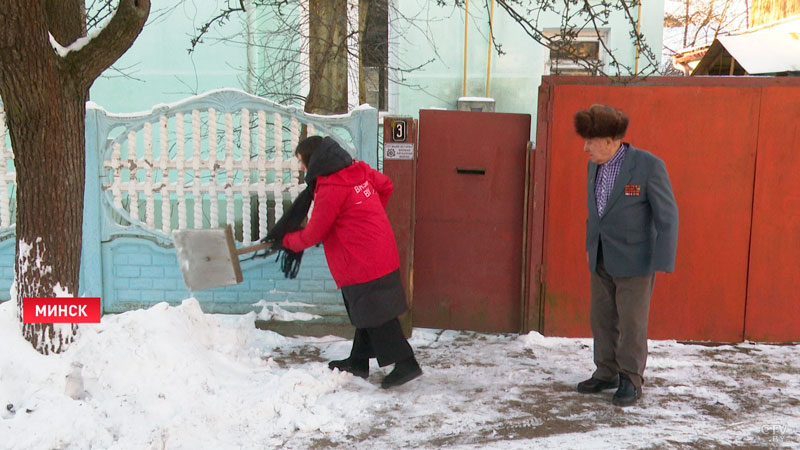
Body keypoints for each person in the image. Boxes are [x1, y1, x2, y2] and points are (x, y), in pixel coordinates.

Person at [271, 135, 422, 389]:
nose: (301, 168)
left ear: (313, 160)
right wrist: (367, 218)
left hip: (361, 260)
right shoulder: (358, 170)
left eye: (301, 161)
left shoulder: (331, 188)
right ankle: (358, 361)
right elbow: (386, 185)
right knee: (366, 310)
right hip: (379, 250)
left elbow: (315, 233)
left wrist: (286, 242)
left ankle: (406, 363)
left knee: (377, 315)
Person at [573, 104, 678, 407]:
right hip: (601, 254)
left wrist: (662, 260)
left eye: (590, 142)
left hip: (636, 260)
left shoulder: (647, 166)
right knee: (601, 319)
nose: (585, 148)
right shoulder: (595, 165)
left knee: (632, 323)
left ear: (609, 140)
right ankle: (605, 371)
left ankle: (630, 379)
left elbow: (667, 215)